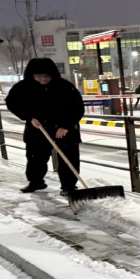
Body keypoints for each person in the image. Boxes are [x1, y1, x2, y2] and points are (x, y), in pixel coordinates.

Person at [6, 57, 85, 195]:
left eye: (46, 76)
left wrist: (66, 125)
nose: (43, 79)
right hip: (37, 129)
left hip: (64, 130)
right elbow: (12, 103)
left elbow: (77, 107)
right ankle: (36, 182)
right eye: (38, 76)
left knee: (68, 158)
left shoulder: (65, 87)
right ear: (32, 75)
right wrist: (28, 117)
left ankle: (69, 186)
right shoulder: (23, 88)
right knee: (36, 157)